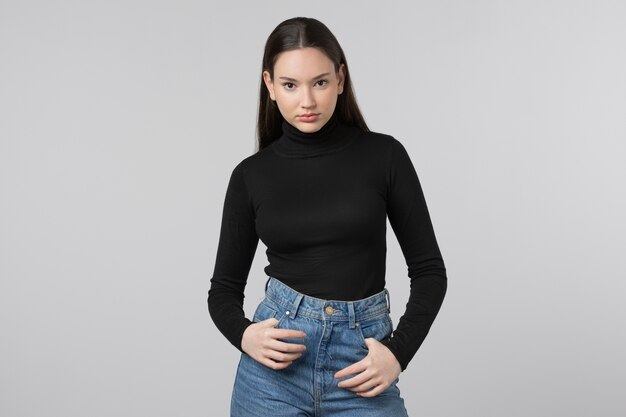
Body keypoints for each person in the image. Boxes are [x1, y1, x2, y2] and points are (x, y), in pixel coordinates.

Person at [207, 16, 447, 417]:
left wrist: (398, 353)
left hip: (360, 365)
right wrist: (245, 335)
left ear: (340, 78)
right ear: (269, 85)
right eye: (290, 85)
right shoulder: (250, 176)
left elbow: (429, 271)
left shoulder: (384, 156)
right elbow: (222, 291)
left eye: (319, 82)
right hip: (272, 376)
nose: (307, 101)